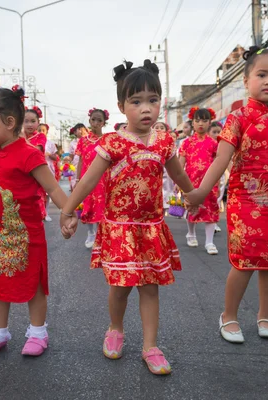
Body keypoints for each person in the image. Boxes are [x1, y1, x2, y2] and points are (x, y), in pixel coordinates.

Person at [60, 60, 198, 375]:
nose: (145, 108)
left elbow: (179, 176)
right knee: (120, 287)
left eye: (153, 100)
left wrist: (195, 196)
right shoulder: (113, 143)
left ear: (161, 103)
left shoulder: (165, 142)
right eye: (136, 101)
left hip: (151, 229)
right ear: (122, 106)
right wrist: (69, 210)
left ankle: (150, 346)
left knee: (150, 288)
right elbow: (87, 181)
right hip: (119, 229)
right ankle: (115, 328)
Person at [186, 46, 268, 343]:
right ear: (247, 79)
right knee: (245, 262)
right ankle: (229, 315)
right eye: (262, 74)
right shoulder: (237, 119)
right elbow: (220, 160)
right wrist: (200, 192)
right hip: (245, 201)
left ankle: (265, 314)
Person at [0, 86, 73, 358]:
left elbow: (52, 189)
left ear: (9, 122)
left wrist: (68, 212)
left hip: (29, 233)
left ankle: (38, 332)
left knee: (34, 284)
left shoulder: (30, 154)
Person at [179, 107, 220, 255]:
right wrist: (179, 183)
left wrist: (219, 182)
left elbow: (218, 163)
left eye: (204, 120)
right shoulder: (186, 143)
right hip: (190, 181)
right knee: (192, 208)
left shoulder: (215, 144)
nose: (200, 123)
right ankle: (191, 233)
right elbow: (180, 163)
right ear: (193, 123)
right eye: (197, 120)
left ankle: (209, 242)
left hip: (210, 182)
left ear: (210, 122)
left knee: (211, 209)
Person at [74, 107, 109, 248]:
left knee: (103, 206)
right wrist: (77, 180)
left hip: (104, 178)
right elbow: (81, 161)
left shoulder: (108, 140)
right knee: (88, 205)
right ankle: (90, 233)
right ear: (89, 121)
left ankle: (101, 235)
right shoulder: (83, 141)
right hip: (86, 178)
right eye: (93, 120)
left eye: (99, 120)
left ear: (103, 123)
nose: (95, 123)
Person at [24, 106, 48, 220]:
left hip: (37, 174)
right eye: (26, 121)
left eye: (33, 121)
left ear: (38, 123)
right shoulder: (16, 136)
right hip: (21, 174)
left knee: (36, 202)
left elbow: (36, 151)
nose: (29, 124)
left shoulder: (40, 136)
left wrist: (21, 140)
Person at [153, 122, 175, 214]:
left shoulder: (169, 142)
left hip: (167, 170)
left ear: (166, 131)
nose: (159, 129)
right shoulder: (149, 142)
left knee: (167, 191)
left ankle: (164, 213)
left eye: (161, 127)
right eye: (156, 127)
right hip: (154, 171)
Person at [209, 121, 226, 233]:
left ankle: (213, 222)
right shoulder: (208, 144)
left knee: (218, 199)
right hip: (210, 173)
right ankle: (210, 221)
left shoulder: (224, 144)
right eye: (213, 132)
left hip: (222, 174)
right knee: (211, 199)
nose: (216, 134)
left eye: (218, 132)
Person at [39, 123, 59, 222]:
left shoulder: (50, 143)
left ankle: (46, 213)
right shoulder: (32, 142)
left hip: (48, 169)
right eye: (39, 130)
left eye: (43, 130)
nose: (41, 132)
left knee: (47, 193)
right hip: (36, 169)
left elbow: (55, 157)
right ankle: (38, 213)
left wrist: (49, 154)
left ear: (46, 132)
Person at [67, 123, 87, 191]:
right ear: (75, 132)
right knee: (75, 184)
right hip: (75, 166)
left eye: (83, 129)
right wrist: (67, 162)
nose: (81, 131)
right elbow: (71, 157)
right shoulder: (72, 143)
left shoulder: (89, 140)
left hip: (86, 165)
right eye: (79, 130)